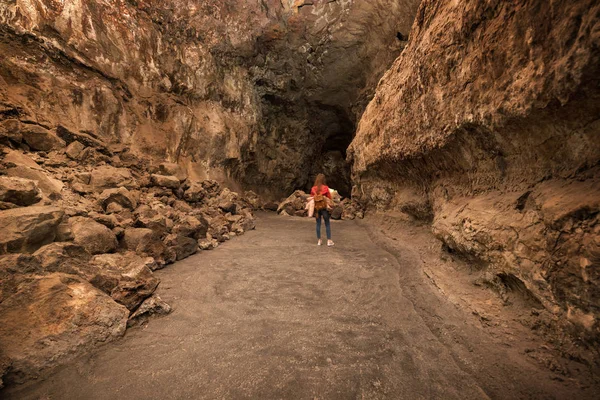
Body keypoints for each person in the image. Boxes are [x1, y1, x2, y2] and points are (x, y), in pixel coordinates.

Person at [310, 173, 334, 247]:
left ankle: (319, 240)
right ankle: (329, 240)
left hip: (317, 209)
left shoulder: (313, 189)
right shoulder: (326, 188)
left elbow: (312, 197)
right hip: (324, 208)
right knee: (327, 223)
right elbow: (329, 197)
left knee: (318, 224)